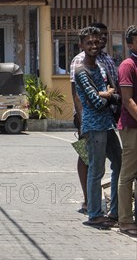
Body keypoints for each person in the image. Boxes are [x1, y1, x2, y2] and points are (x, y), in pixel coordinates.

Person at [74, 27, 122, 229]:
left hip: (108, 124)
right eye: (89, 43)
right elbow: (95, 102)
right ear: (82, 46)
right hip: (94, 126)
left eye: (96, 42)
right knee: (96, 169)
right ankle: (94, 214)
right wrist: (105, 95)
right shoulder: (81, 71)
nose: (94, 46)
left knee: (120, 162)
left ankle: (115, 211)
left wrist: (106, 94)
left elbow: (117, 95)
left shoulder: (100, 68)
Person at [117, 25, 137, 238]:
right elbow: (128, 99)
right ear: (130, 44)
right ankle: (125, 220)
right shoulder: (127, 65)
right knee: (128, 174)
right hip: (132, 127)